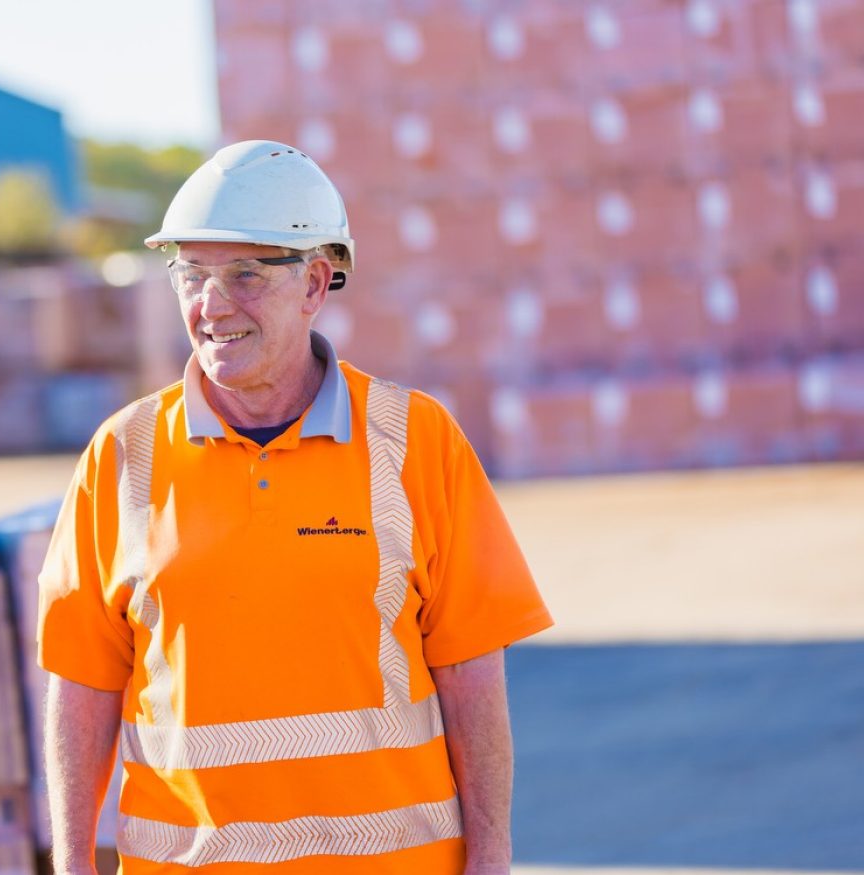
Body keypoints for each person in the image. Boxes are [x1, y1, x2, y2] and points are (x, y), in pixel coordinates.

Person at [37, 140, 553, 874]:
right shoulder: (122, 454)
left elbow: (472, 671)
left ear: (314, 282)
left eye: (245, 274)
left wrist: (493, 856)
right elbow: (82, 682)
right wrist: (72, 860)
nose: (212, 305)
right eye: (192, 273)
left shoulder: (416, 441)